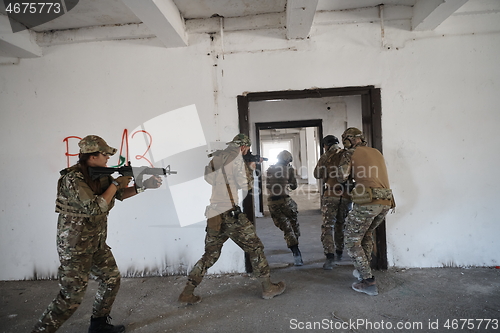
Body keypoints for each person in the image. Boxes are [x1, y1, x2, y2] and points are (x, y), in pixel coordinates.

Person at [32, 135, 162, 333]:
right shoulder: (72, 179)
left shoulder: (100, 176)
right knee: (70, 297)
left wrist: (143, 186)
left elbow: (118, 196)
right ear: (92, 157)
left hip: (96, 243)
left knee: (111, 279)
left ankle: (99, 325)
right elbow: (95, 207)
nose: (108, 158)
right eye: (104, 155)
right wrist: (116, 183)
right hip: (75, 247)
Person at [178, 134, 285, 304]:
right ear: (243, 147)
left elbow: (208, 179)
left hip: (214, 213)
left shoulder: (218, 157)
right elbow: (246, 185)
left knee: (210, 254)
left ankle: (187, 292)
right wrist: (250, 167)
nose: (247, 152)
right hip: (230, 214)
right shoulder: (237, 160)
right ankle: (268, 288)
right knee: (255, 247)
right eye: (247, 149)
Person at [336, 128, 395, 296]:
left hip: (369, 202)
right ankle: (363, 270)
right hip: (386, 201)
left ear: (348, 140)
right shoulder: (376, 152)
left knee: (351, 240)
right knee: (367, 234)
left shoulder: (350, 153)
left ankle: (368, 281)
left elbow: (341, 176)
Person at [314, 135, 352, 270]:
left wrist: (324, 157)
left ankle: (330, 257)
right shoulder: (347, 154)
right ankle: (340, 252)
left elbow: (317, 174)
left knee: (328, 226)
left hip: (331, 194)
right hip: (346, 195)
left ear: (325, 145)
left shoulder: (327, 157)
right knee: (341, 224)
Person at [266, 150, 301, 266]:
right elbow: (294, 186)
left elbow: (268, 185)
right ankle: (296, 250)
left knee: (286, 228)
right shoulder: (289, 169)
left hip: (272, 202)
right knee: (293, 224)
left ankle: (294, 247)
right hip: (286, 201)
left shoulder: (270, 170)